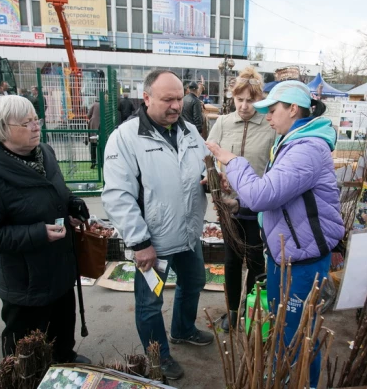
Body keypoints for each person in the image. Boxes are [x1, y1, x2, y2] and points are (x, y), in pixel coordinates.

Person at [206, 80, 345, 387]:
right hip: (288, 252)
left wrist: (232, 161)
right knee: (285, 327)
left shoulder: (307, 148)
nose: (267, 116)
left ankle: (301, 383)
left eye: (272, 109)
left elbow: (264, 196)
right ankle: (285, 375)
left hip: (303, 259)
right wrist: (240, 200)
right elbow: (284, 198)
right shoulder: (292, 141)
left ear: (293, 108)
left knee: (298, 332)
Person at [0, 96, 91, 366]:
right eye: (26, 122)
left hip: (61, 267)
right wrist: (36, 233)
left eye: (36, 119)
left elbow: (58, 191)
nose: (35, 126)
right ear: (1, 128)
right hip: (26, 283)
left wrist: (72, 204)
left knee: (63, 325)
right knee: (25, 350)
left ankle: (64, 358)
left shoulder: (44, 152)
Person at [102, 69, 213, 381]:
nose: (176, 105)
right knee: (151, 304)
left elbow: (205, 165)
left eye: (179, 98)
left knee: (194, 282)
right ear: (147, 98)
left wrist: (210, 179)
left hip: (189, 234)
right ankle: (159, 355)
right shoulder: (125, 138)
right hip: (155, 244)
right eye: (168, 99)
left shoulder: (189, 131)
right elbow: (117, 196)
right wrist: (139, 243)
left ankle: (182, 329)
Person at [206, 66, 276, 333]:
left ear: (260, 100)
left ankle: (251, 310)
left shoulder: (269, 126)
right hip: (229, 207)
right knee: (233, 260)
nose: (245, 106)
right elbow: (209, 156)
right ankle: (233, 310)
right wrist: (211, 179)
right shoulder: (223, 123)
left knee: (257, 260)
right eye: (240, 100)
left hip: (258, 207)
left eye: (251, 100)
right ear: (232, 99)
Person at [87, 99, 100, 169]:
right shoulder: (105, 105)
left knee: (93, 146)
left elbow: (88, 115)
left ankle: (93, 162)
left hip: (93, 126)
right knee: (101, 146)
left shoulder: (94, 104)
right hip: (101, 127)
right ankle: (101, 162)